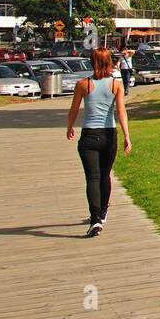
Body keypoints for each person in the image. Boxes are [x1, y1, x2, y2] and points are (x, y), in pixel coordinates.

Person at [65, 48, 131, 238]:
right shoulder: (116, 85)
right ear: (109, 62)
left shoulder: (83, 84)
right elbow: (121, 112)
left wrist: (69, 127)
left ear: (92, 62)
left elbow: (74, 110)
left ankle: (95, 219)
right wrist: (126, 136)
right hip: (109, 135)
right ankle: (102, 213)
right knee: (105, 175)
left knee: (92, 177)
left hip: (89, 135)